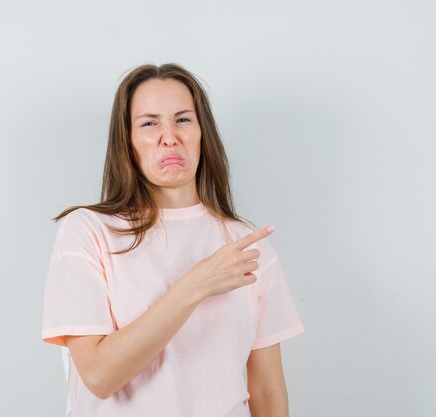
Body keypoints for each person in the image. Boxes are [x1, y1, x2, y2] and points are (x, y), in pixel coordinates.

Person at [40, 63, 305, 417]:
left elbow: (267, 391)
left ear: (201, 133)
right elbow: (100, 376)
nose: (169, 137)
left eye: (183, 120)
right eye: (149, 123)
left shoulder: (247, 244)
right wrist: (195, 285)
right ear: (128, 140)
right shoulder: (88, 231)